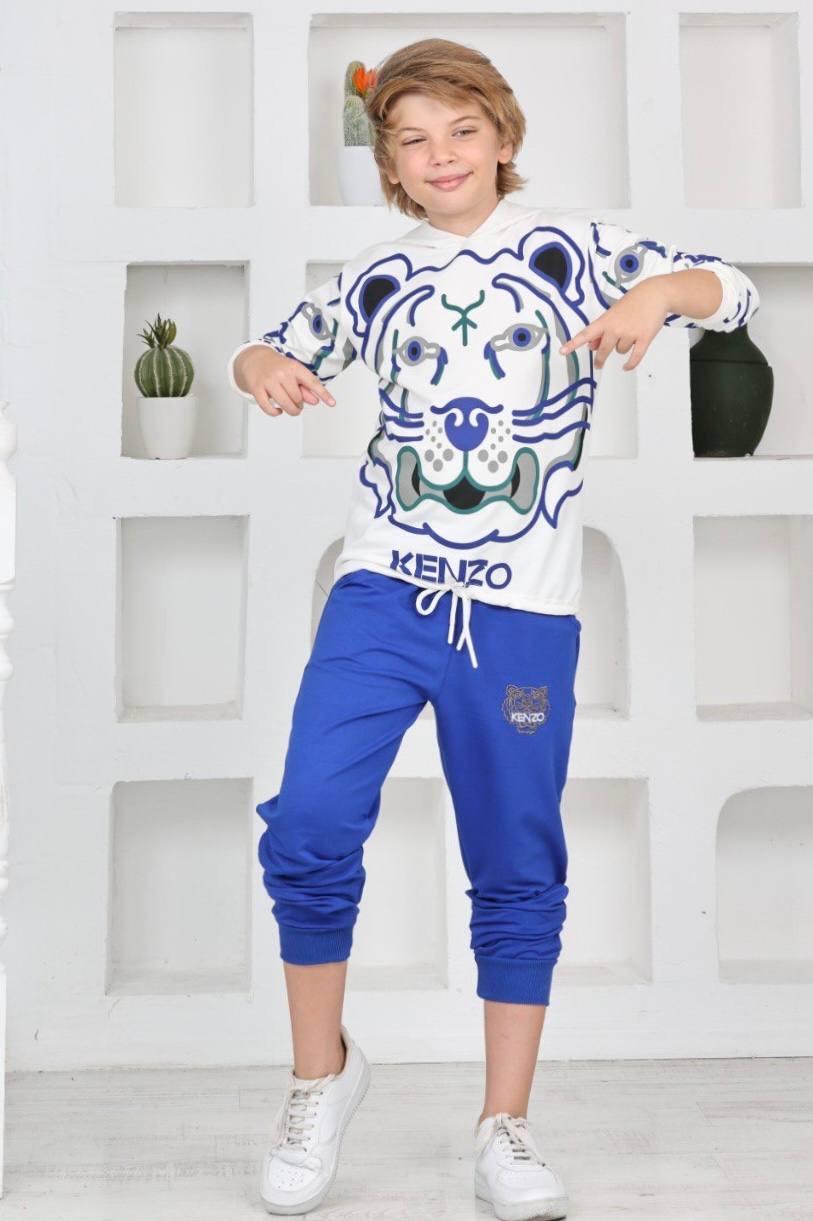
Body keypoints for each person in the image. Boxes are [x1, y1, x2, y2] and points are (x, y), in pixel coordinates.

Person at [227, 36, 759, 1221]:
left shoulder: (573, 250)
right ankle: (320, 1079)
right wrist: (258, 363)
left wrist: (657, 294)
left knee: (516, 862)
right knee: (309, 824)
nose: (440, 154)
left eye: (461, 130)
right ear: (389, 167)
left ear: (503, 137)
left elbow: (732, 290)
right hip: (381, 596)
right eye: (412, 140)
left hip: (520, 620)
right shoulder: (378, 274)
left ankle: (503, 1126)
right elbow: (274, 345)